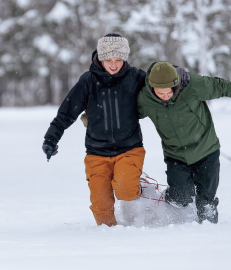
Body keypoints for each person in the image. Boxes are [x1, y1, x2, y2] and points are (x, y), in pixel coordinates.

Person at [42, 33, 189, 227]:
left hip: (129, 148)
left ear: (125, 58)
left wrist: (176, 74)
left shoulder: (136, 77)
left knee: (125, 190)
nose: (114, 64)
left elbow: (159, 82)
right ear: (100, 58)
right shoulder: (88, 81)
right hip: (96, 153)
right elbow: (65, 114)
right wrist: (51, 139)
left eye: (118, 59)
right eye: (109, 60)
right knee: (101, 208)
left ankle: (138, 185)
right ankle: (110, 240)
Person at [137, 61, 231, 224]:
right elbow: (125, 113)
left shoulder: (192, 86)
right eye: (160, 93)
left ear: (175, 84)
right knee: (180, 198)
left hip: (206, 150)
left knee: (206, 203)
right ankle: (167, 198)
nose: (165, 96)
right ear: (152, 88)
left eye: (168, 92)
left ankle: (208, 237)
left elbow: (222, 86)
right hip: (176, 155)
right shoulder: (144, 99)